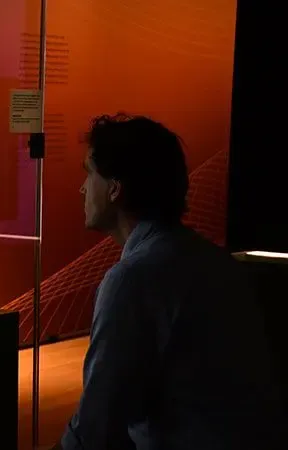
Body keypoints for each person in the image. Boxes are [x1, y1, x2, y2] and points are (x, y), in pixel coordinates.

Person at [54, 113, 283, 450]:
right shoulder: (213, 260)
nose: (83, 187)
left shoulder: (133, 280)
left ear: (115, 188)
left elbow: (97, 424)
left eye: (89, 173)